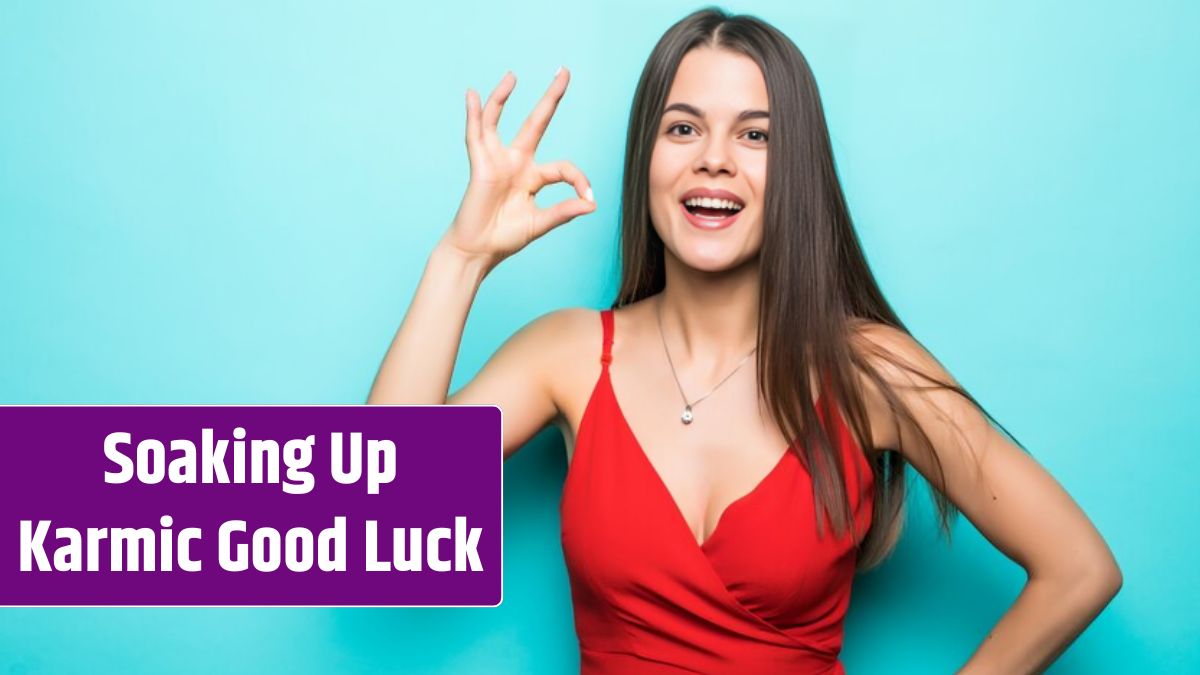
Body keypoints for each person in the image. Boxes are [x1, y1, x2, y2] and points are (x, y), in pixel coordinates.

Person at [368, 7, 1121, 674]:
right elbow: (384, 496)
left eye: (755, 134)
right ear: (648, 159)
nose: (714, 157)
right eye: (683, 127)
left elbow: (1078, 567)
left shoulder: (869, 370)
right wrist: (461, 258)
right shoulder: (566, 355)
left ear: (794, 167)